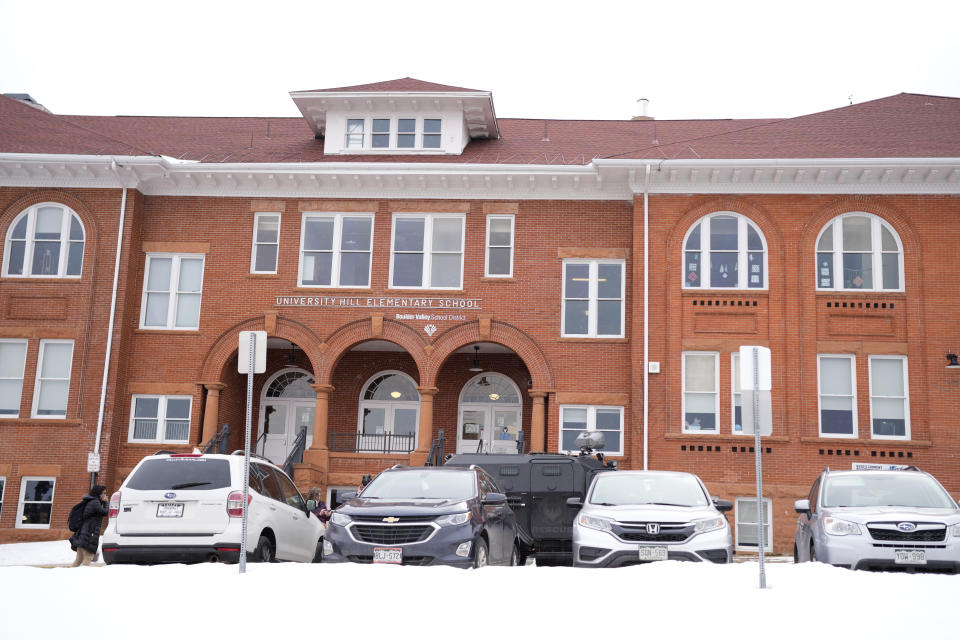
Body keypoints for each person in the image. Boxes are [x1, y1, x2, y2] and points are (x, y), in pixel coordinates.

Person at [69, 485, 109, 567]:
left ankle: (70, 575)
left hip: (83, 534)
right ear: (98, 493)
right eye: (103, 493)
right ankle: (82, 577)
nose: (105, 495)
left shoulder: (91, 501)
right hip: (89, 535)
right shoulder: (95, 502)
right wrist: (106, 502)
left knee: (78, 560)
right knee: (87, 559)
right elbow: (105, 512)